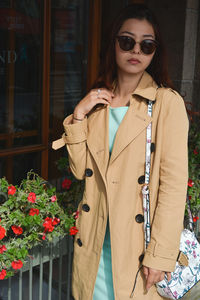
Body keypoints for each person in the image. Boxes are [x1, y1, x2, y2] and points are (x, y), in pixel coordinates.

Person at [53, 4, 188, 300]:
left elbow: (174, 186)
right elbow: (79, 171)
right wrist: (78, 116)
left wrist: (160, 254)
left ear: (155, 52)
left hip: (137, 250)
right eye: (127, 41)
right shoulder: (98, 103)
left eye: (147, 45)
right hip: (95, 242)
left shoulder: (167, 103)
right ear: (114, 43)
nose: (136, 50)